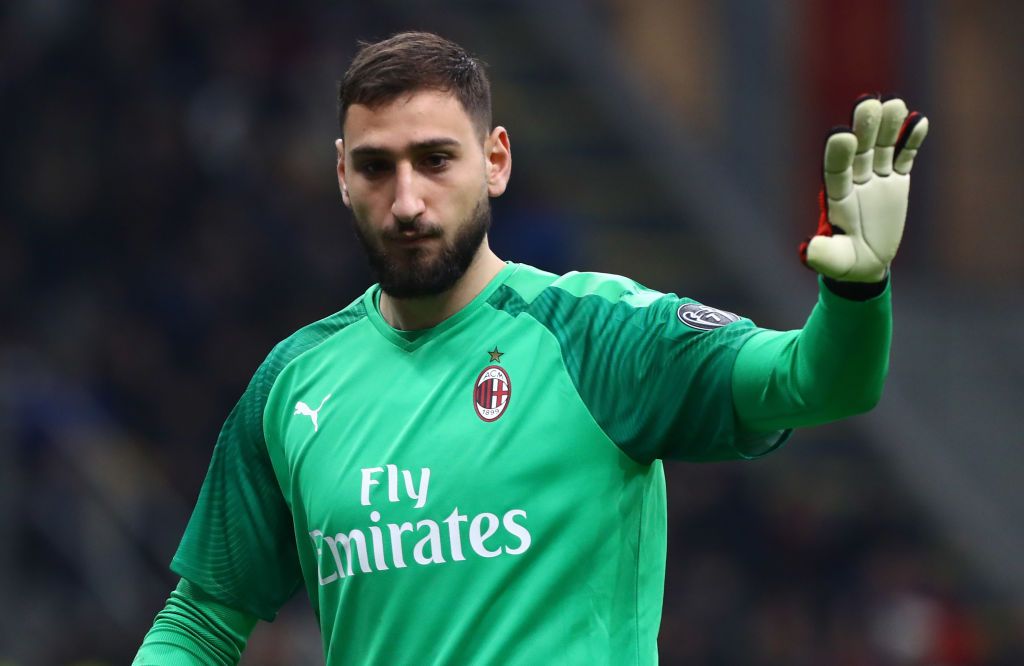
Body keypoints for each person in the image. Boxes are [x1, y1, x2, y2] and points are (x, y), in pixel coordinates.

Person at [134, 31, 928, 665]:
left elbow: (816, 383)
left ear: (496, 161)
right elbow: (201, 625)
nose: (407, 199)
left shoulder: (598, 334)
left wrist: (855, 296)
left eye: (435, 160)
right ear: (342, 176)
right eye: (377, 167)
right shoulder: (293, 383)